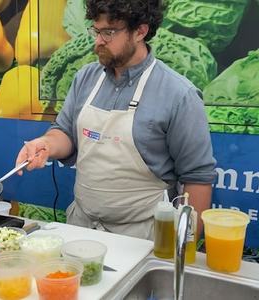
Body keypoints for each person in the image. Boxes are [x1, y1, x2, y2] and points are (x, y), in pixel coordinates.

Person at [15, 0, 216, 240]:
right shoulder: (85, 78)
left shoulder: (179, 94)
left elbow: (197, 178)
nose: (98, 41)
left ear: (140, 31)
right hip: (82, 227)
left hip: (144, 236)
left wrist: (185, 244)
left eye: (109, 32)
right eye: (96, 30)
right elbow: (65, 132)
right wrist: (46, 144)